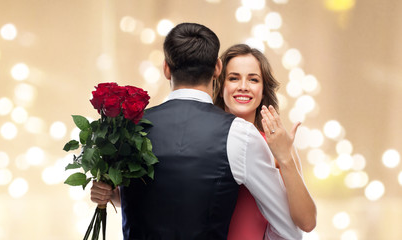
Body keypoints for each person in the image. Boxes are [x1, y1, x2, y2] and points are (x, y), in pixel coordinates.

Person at [90, 22, 302, 239]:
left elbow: (140, 201)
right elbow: (290, 230)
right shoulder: (241, 134)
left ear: (166, 68)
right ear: (218, 68)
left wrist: (110, 194)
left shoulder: (129, 128)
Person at [213, 44, 317, 239]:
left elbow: (307, 222)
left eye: (253, 79)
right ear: (220, 87)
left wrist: (285, 157)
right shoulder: (207, 139)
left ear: (263, 90)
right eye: (234, 78)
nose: (243, 86)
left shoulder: (277, 145)